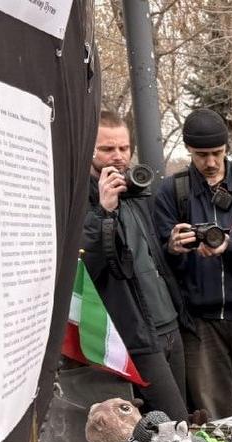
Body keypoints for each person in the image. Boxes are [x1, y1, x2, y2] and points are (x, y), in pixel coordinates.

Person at [154, 108, 232, 419]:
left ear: (227, 148)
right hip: (200, 322)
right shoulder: (173, 192)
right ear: (189, 150)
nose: (210, 162)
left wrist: (230, 246)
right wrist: (172, 247)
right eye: (201, 154)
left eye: (217, 153)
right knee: (216, 422)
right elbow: (158, 262)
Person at [82, 111, 190, 421]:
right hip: (135, 336)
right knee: (173, 425)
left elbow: (149, 258)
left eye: (123, 148)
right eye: (107, 149)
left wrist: (173, 247)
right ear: (90, 149)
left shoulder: (138, 194)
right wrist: (103, 211)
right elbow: (86, 266)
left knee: (176, 428)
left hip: (169, 323)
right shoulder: (80, 200)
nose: (117, 157)